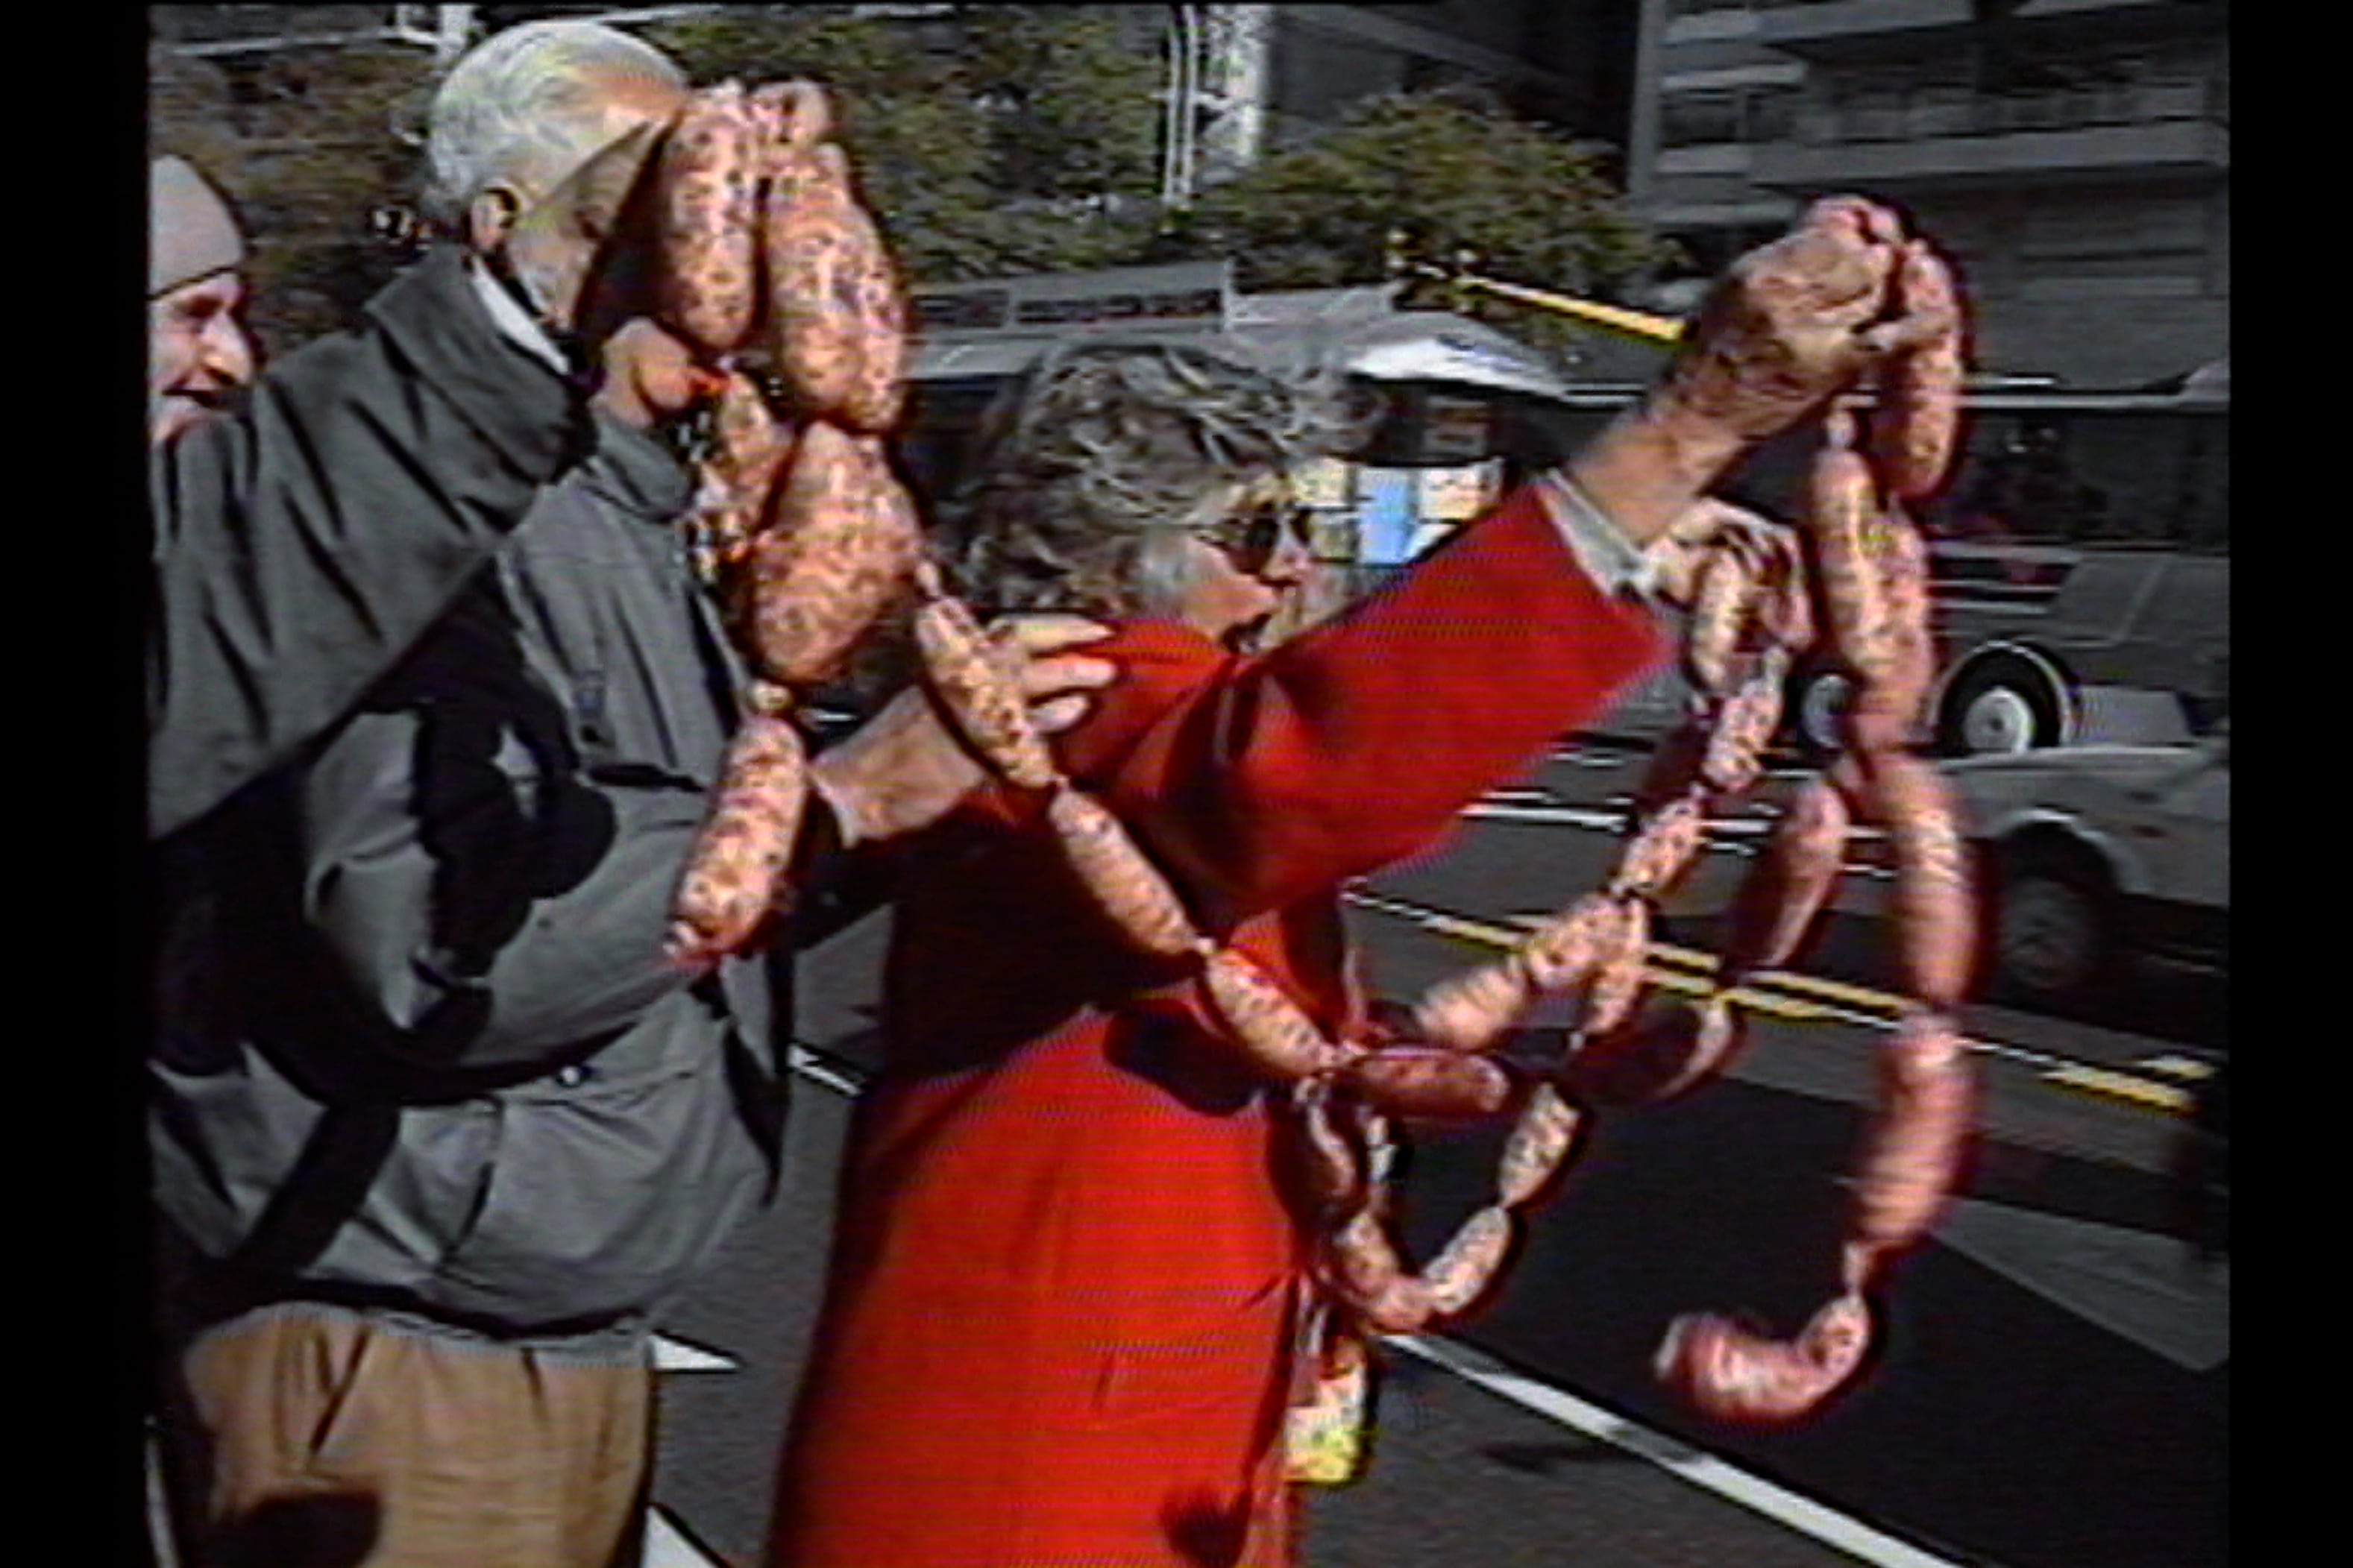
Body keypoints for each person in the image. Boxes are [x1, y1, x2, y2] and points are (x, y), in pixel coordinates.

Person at [767, 204, 1921, 1567]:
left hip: (1152, 1404)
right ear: (1120, 537)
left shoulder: (1131, 692)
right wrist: (1679, 432)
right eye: (1257, 531)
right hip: (1033, 1442)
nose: (1294, 568)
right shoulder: (1061, 695)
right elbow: (1305, 765)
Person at [148, 22, 1110, 1568]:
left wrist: (871, 819)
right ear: (517, 243)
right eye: (668, 223)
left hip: (549, 1329)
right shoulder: (453, 544)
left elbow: (682, 890)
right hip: (403, 1343)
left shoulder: (645, 517)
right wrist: (841, 802)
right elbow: (436, 949)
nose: (715, 275)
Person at [146, 18, 707, 843]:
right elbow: (236, 604)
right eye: (193, 317)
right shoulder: (465, 536)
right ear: (500, 221)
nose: (235, 361)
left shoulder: (637, 499)